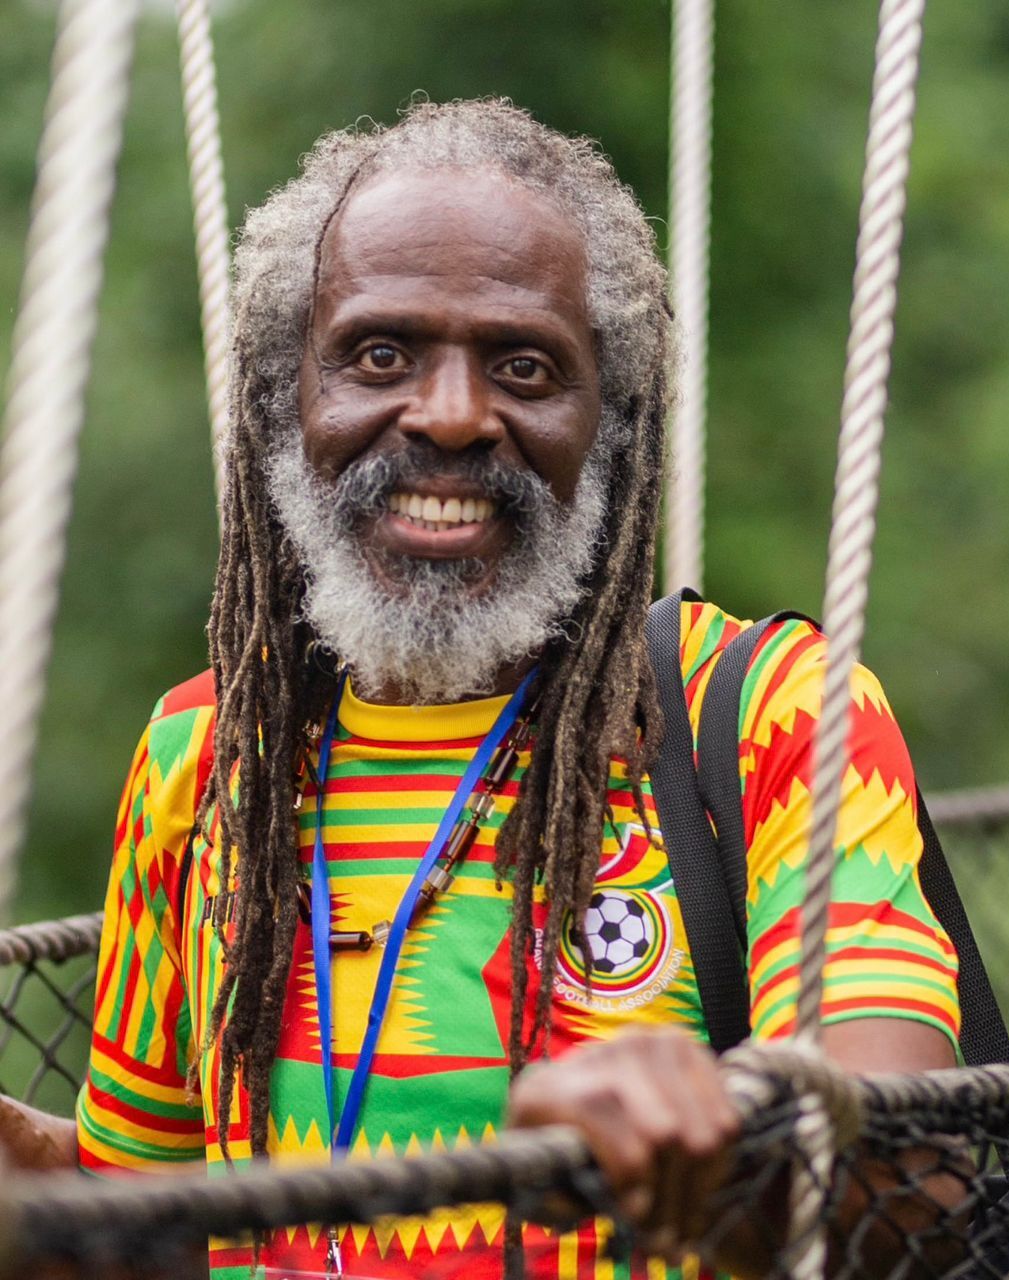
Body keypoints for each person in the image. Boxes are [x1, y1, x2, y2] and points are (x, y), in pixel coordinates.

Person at [4, 100, 961, 1279]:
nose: (450, 417)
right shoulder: (202, 753)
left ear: (606, 423)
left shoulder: (777, 712)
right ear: (279, 401)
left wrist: (735, 1118)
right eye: (378, 353)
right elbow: (145, 1218)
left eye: (521, 364)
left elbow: (914, 1178)